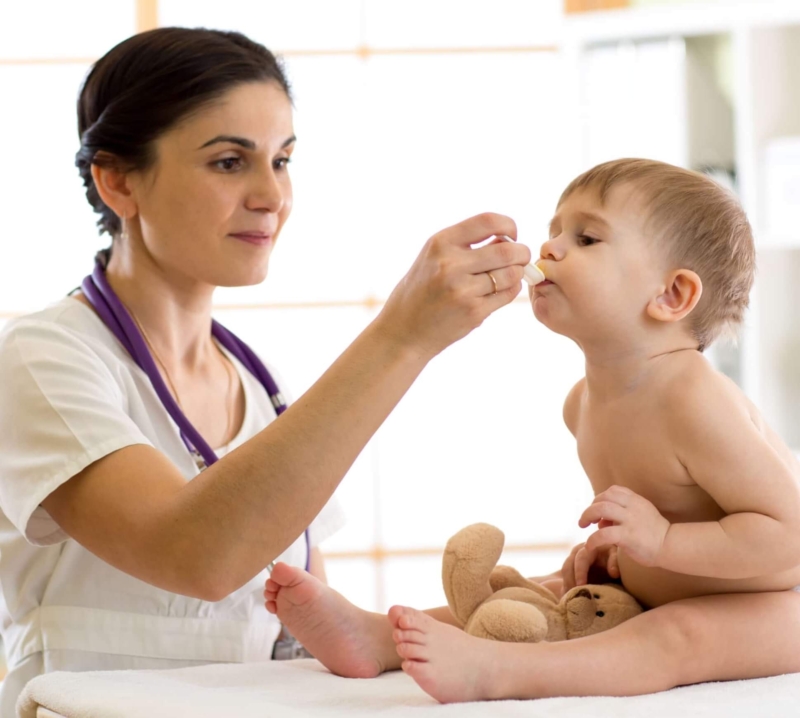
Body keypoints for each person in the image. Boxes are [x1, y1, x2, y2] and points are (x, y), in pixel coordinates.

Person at [0, 27, 532, 716]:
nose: (271, 195)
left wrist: (524, 607)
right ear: (117, 180)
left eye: (282, 160)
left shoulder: (260, 385)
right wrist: (403, 336)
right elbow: (197, 556)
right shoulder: (39, 359)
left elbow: (315, 624)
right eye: (229, 162)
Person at [265, 159, 800, 703]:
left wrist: (662, 542)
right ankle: (379, 638)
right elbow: (665, 509)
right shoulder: (582, 403)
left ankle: (498, 671)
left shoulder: (694, 401)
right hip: (660, 585)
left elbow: (786, 536)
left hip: (776, 604)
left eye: (586, 238)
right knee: (545, 590)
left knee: (676, 636)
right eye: (554, 232)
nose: (549, 250)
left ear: (671, 296)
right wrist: (620, 554)